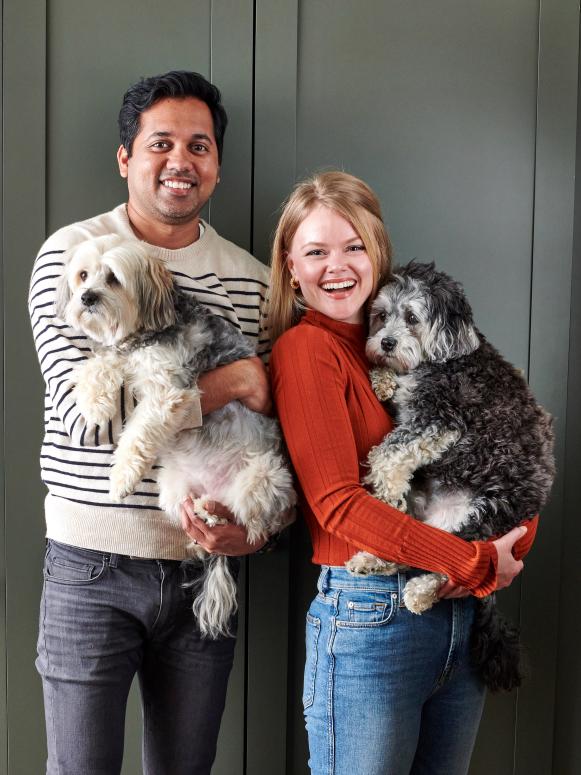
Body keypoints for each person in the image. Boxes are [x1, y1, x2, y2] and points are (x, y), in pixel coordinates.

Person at [29, 70, 275, 775]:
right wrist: (222, 383)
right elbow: (86, 420)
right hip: (90, 565)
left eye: (198, 146)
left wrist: (257, 528)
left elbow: (270, 427)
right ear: (125, 158)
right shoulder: (72, 258)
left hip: (203, 562)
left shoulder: (252, 283)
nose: (180, 160)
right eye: (160, 142)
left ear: (217, 166)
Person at [269, 170, 538, 775]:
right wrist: (471, 562)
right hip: (372, 618)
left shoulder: (420, 348)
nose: (336, 266)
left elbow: (500, 439)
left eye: (353, 246)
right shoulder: (308, 352)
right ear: (291, 267)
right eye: (316, 251)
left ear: (377, 252)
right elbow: (338, 505)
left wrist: (513, 542)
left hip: (460, 613)